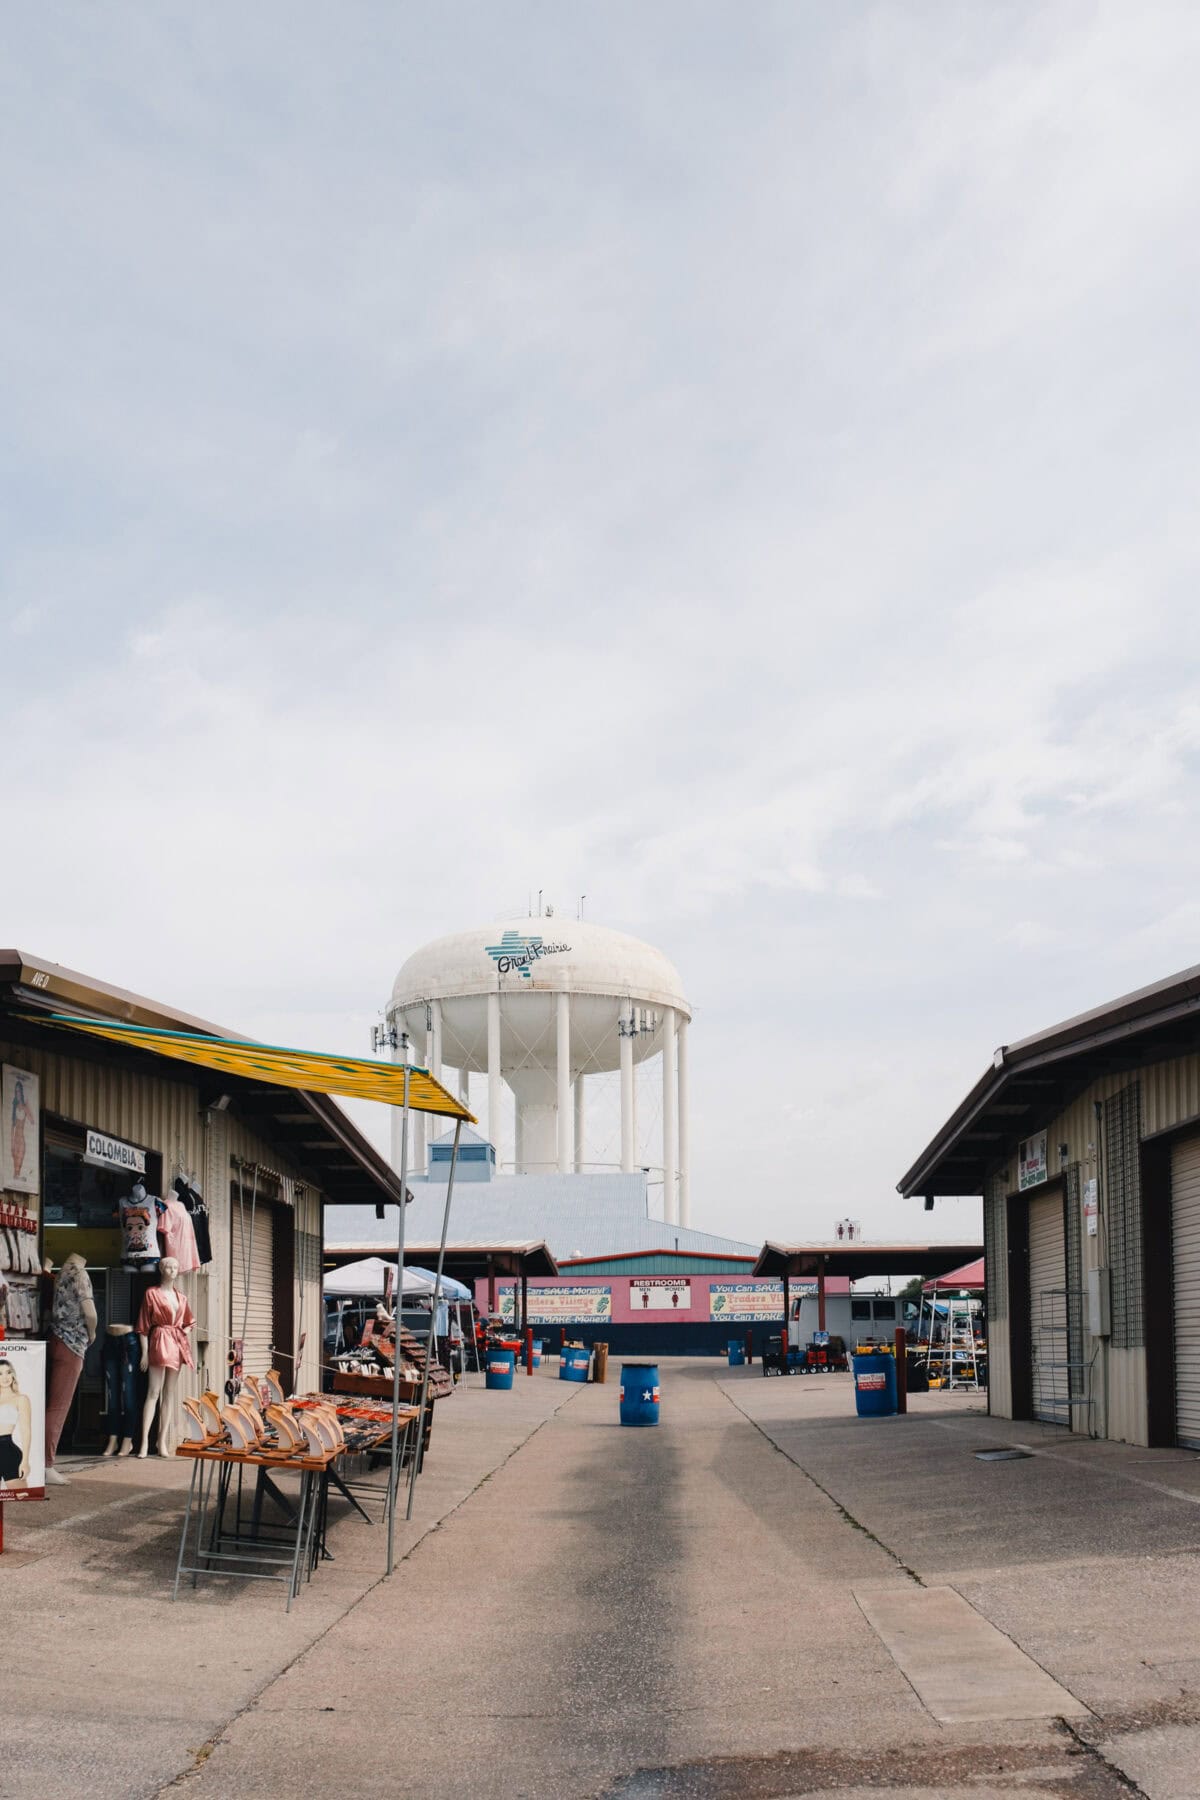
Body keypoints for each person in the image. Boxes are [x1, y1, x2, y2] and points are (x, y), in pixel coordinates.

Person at [0, 1357, 33, 1491]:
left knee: (20, 1496)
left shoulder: (21, 1399)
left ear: (13, 1374)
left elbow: (26, 1431)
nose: (5, 1377)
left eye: (8, 1372)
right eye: (0, 1373)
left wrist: (25, 1461)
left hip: (8, 1452)